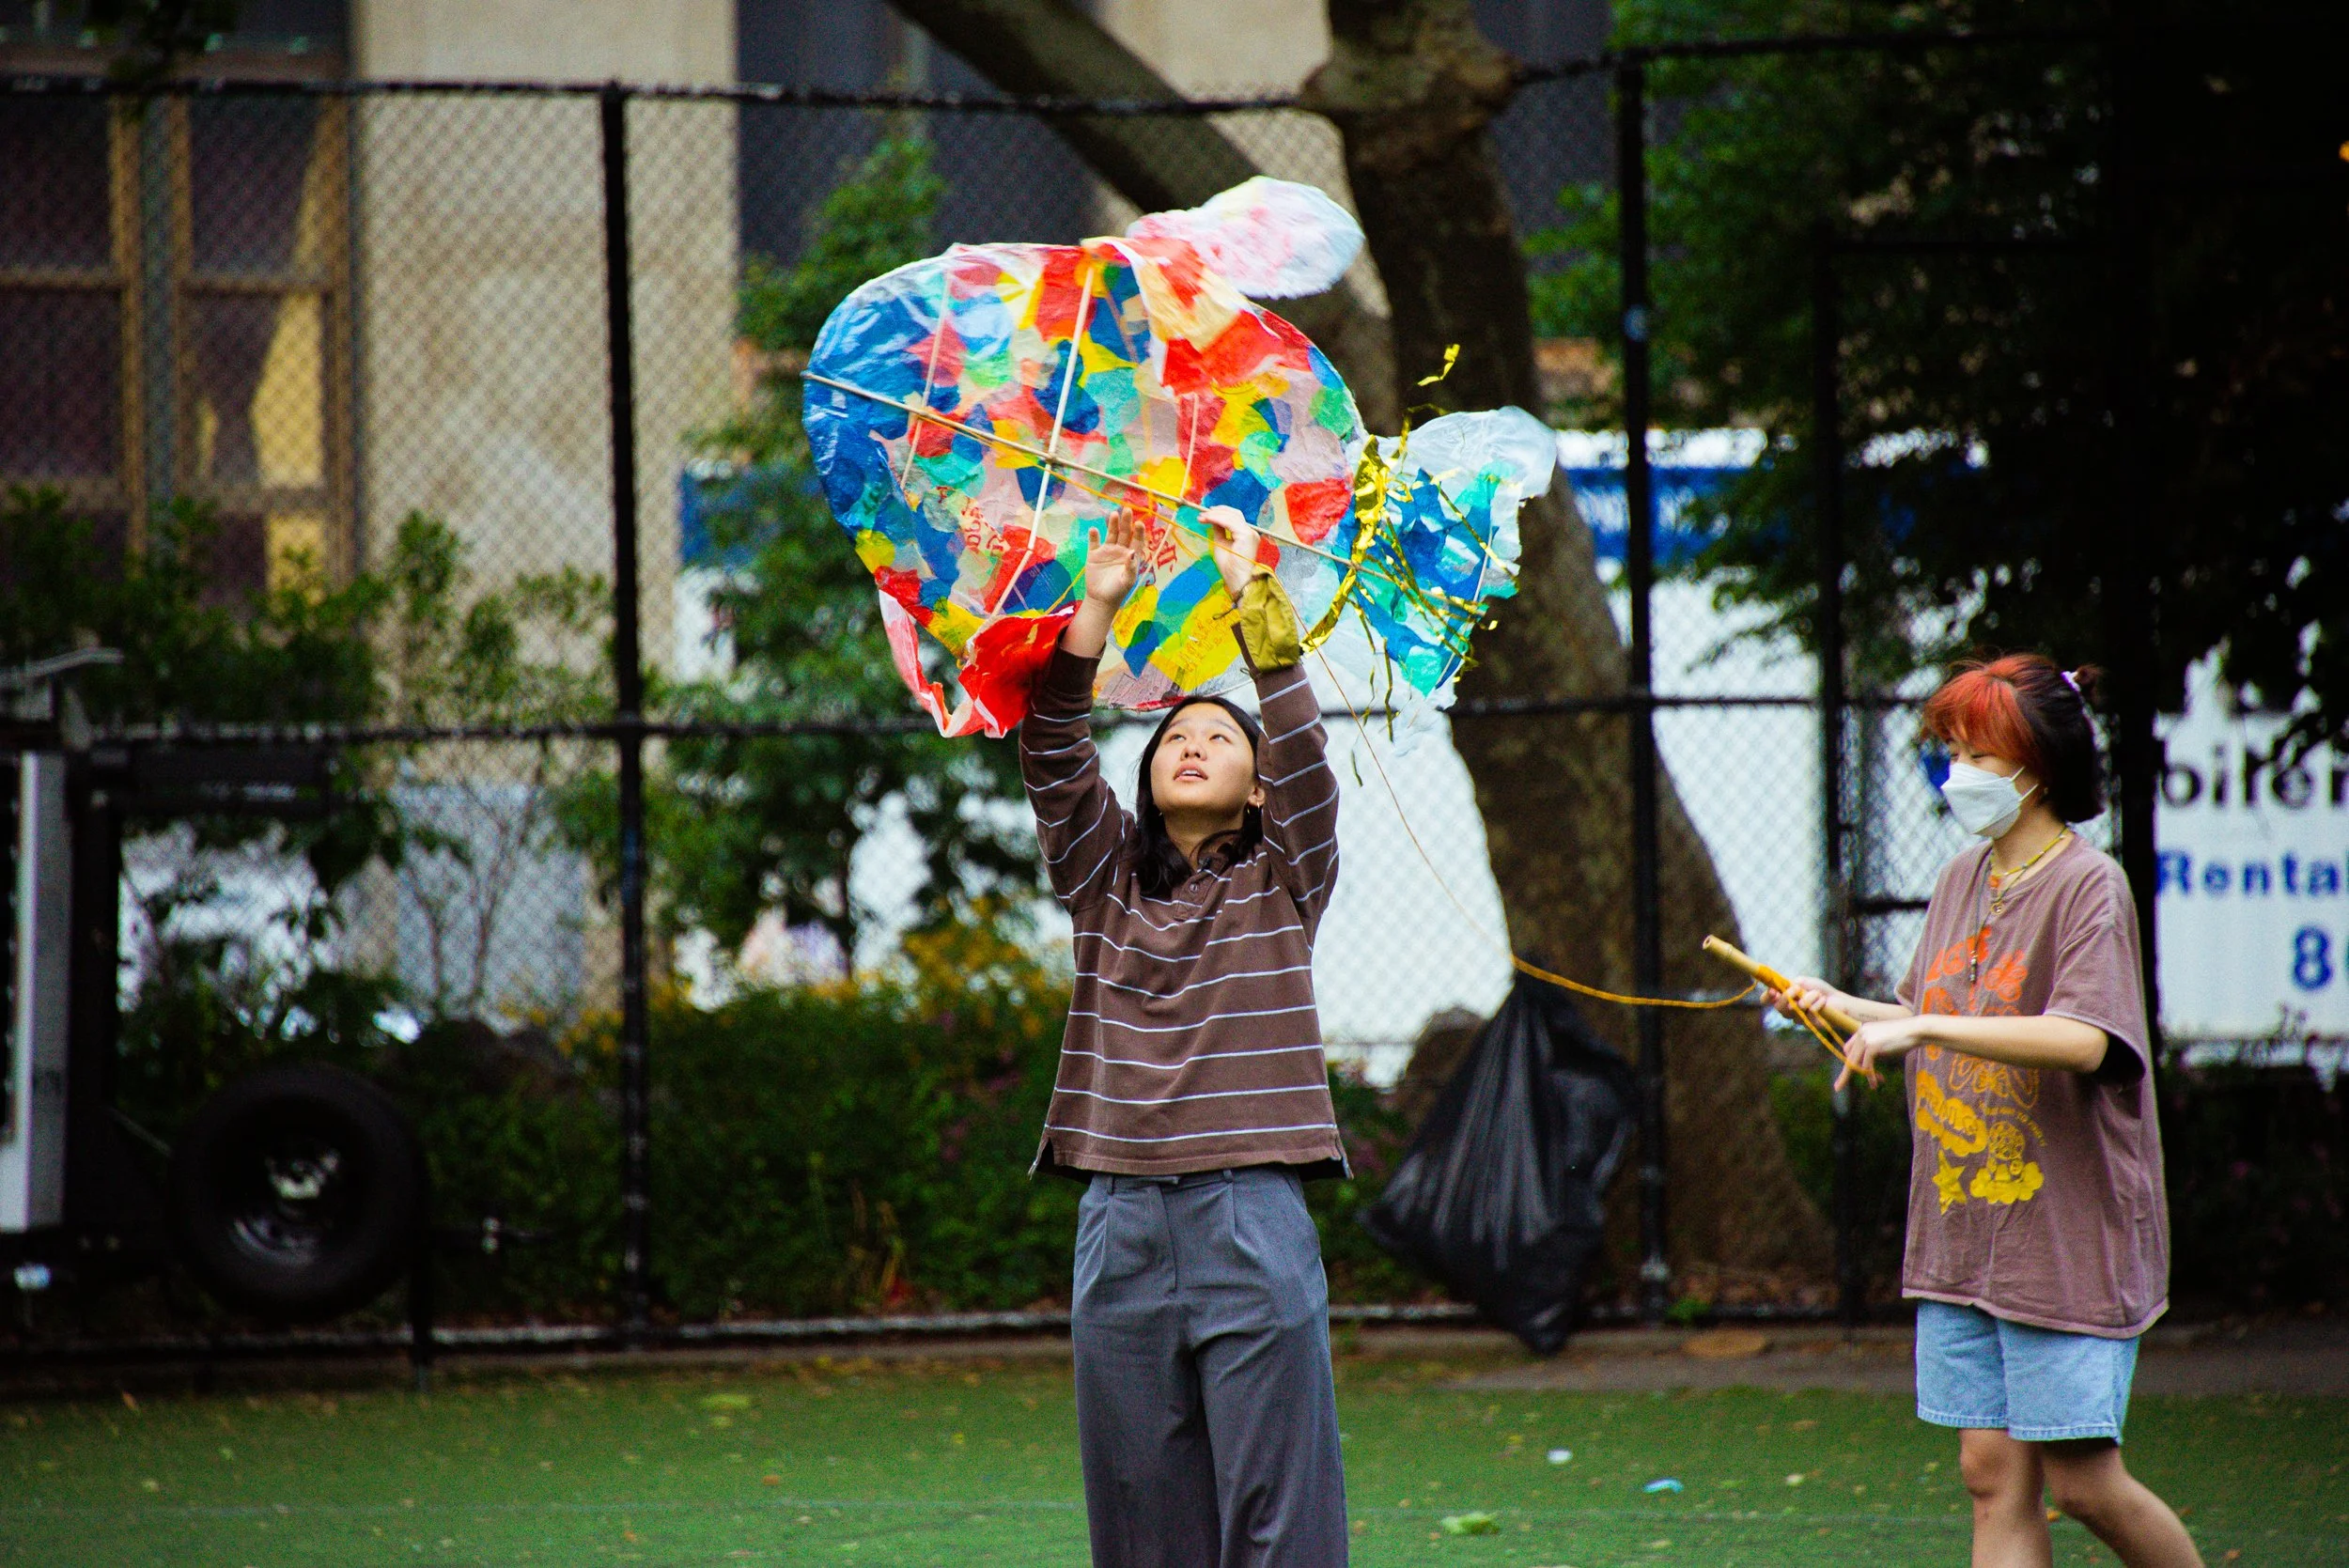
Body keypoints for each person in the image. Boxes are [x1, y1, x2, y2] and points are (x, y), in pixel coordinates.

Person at [1771, 655, 2201, 1568]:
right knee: (1989, 1475)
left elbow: (2085, 1039)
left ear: (2037, 765)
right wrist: (1836, 1003)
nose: (1954, 771)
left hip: (2064, 1233)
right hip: (1967, 1230)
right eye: (1952, 748)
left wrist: (1919, 1025)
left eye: (1976, 751)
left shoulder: (2090, 887)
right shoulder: (1962, 876)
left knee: (2083, 1482)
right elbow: (1927, 1015)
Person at [1020, 505, 1348, 1567]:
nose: (1192, 742)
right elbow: (1053, 748)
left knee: (1277, 1519)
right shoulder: (1101, 878)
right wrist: (1100, 604)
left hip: (1250, 1209)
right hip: (1116, 1219)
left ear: (1255, 791)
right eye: (1173, 735)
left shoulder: (1282, 879)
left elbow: (1299, 748)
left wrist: (1255, 592)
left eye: (1219, 737)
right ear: (1149, 777)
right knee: (1140, 1524)